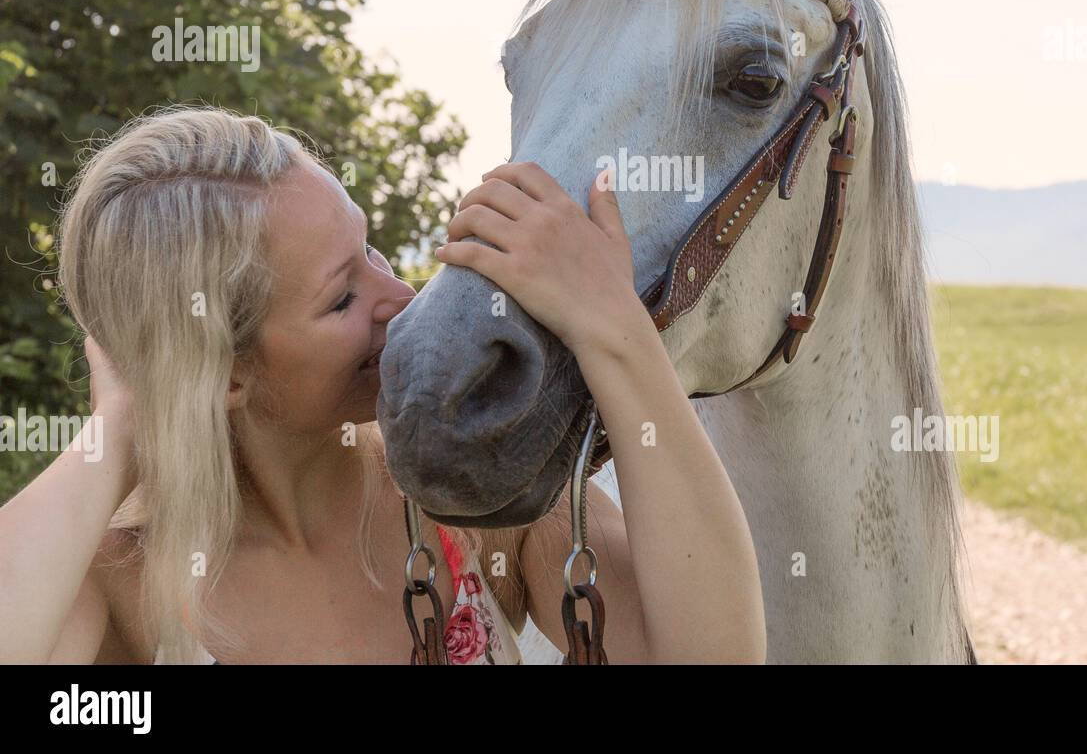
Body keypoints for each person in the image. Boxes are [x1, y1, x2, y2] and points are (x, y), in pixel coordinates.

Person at [0, 104, 765, 664]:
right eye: (341, 297)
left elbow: (712, 656)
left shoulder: (462, 492)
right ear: (225, 375)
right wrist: (123, 425)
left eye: (371, 250)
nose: (400, 299)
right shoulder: (122, 587)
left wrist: (614, 328)